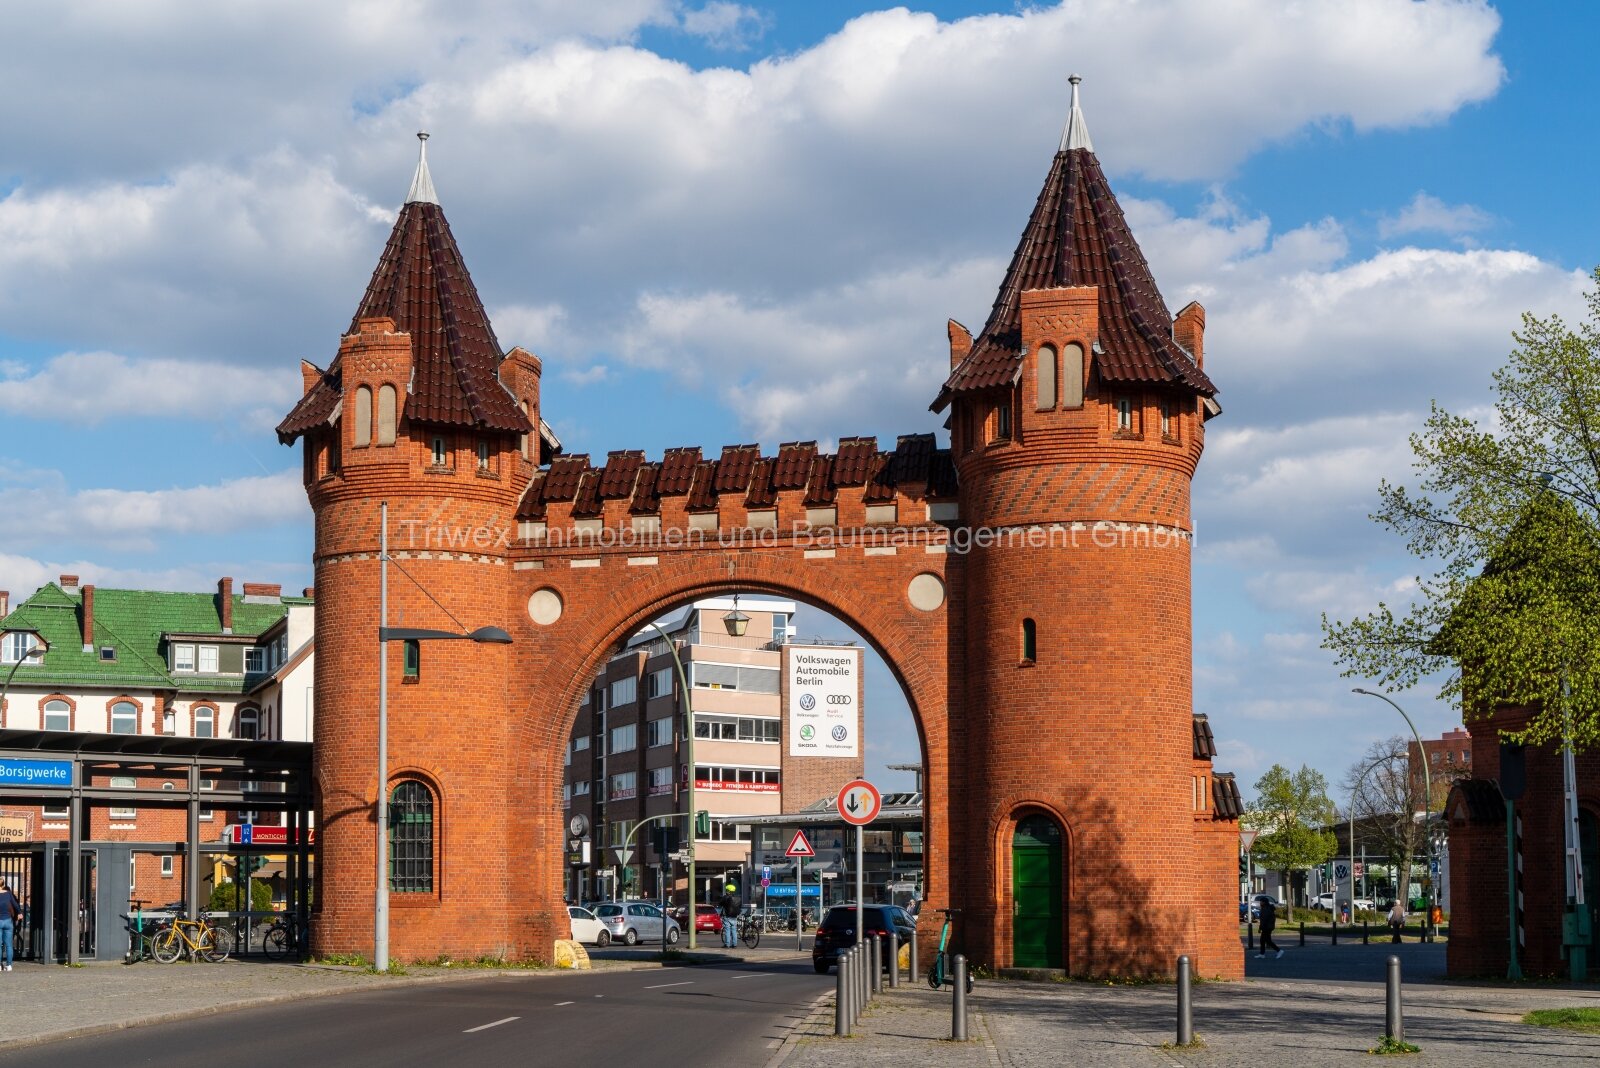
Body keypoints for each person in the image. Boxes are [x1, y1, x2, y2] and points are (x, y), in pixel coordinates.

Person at [0, 878, 20, 972]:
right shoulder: (8, 894)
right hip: (8, 921)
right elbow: (15, 905)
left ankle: (0, 966)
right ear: (3, 884)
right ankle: (9, 965)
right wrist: (19, 913)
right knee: (9, 945)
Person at [719, 883, 739, 948]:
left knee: (727, 930)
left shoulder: (726, 897)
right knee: (734, 930)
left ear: (728, 890)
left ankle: (727, 944)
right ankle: (734, 944)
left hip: (727, 916)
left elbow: (720, 903)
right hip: (734, 916)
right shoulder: (737, 898)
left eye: (727, 890)